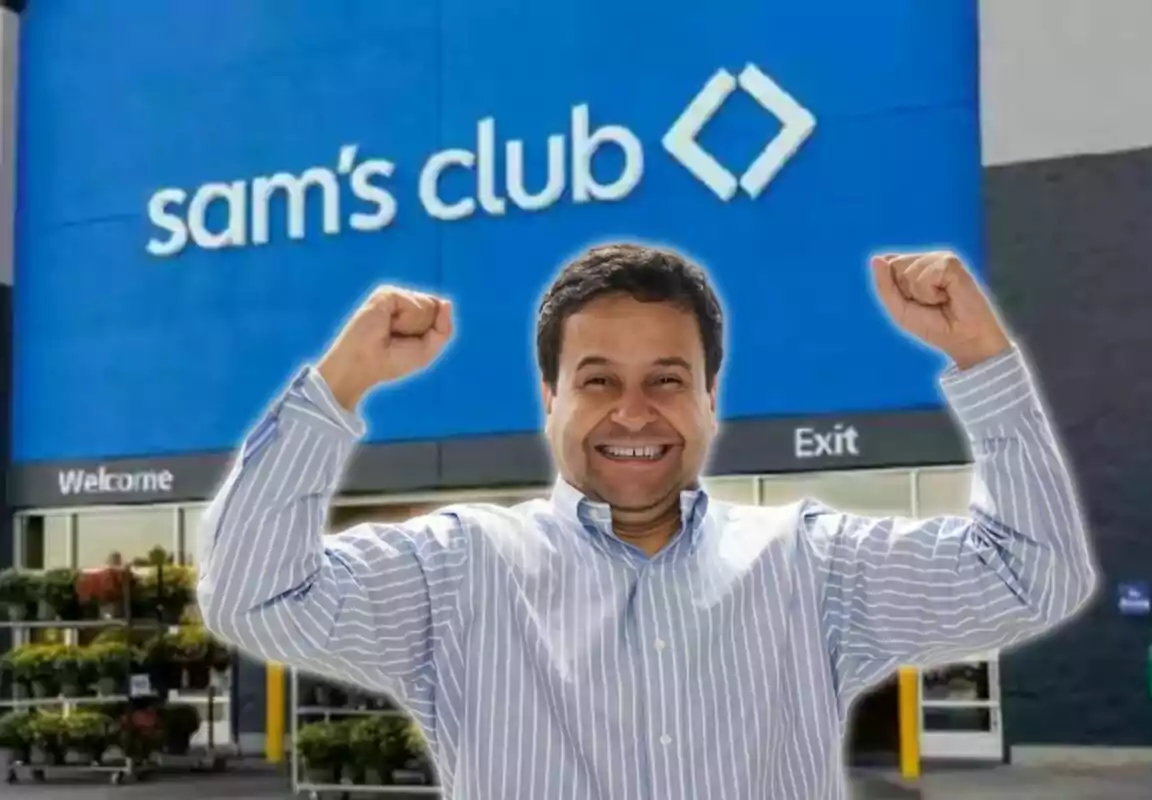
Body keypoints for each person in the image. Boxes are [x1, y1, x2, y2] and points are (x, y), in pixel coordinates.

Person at [196, 244, 1097, 800]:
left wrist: (982, 357)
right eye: (597, 380)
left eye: (667, 379)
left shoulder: (810, 563)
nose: (634, 412)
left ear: (710, 399)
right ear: (549, 397)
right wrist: (340, 383)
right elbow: (254, 598)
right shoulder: (458, 566)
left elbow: (1035, 573)